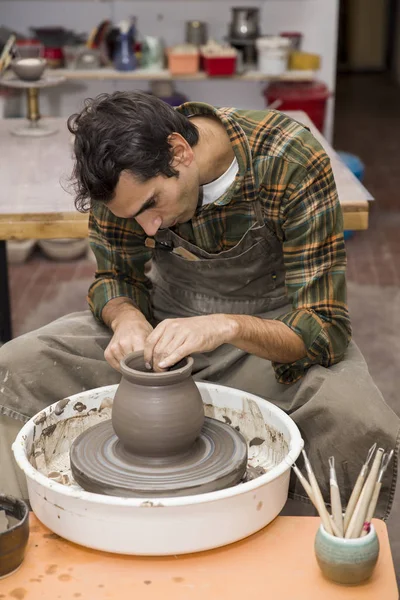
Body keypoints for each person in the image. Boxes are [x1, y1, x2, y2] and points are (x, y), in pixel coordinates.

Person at [0, 91, 398, 519]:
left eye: (153, 204)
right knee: (15, 367)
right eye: (133, 216)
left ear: (180, 151)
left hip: (270, 335)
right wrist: (127, 318)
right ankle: (22, 535)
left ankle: (300, 556)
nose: (148, 225)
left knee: (357, 420)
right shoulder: (121, 176)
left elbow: (325, 327)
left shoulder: (288, 158)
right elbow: (115, 278)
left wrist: (228, 325)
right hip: (161, 330)